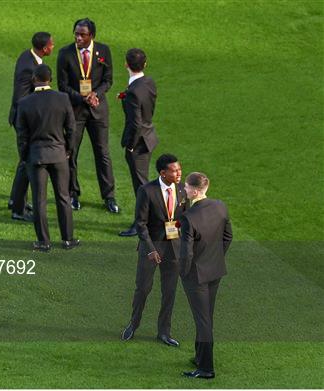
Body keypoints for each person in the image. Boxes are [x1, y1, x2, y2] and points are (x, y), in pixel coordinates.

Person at [121, 154, 186, 347]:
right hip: (152, 248)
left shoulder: (182, 189)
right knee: (143, 288)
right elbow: (141, 224)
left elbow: (185, 217)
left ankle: (164, 332)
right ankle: (133, 325)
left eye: (179, 169)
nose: (179, 173)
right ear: (163, 173)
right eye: (174, 170)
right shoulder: (147, 191)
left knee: (169, 291)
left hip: (173, 248)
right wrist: (150, 249)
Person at [57, 18, 118, 213]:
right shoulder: (65, 53)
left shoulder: (103, 51)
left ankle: (109, 197)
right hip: (75, 111)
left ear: (92, 35)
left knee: (103, 154)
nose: (78, 37)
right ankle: (73, 194)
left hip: (98, 110)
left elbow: (108, 80)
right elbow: (62, 85)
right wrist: (83, 97)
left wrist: (95, 94)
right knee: (71, 153)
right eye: (76, 33)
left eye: (82, 34)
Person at [16, 65, 79, 252]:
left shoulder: (25, 103)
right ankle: (68, 239)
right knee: (63, 197)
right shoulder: (63, 98)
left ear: (34, 79)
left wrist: (24, 156)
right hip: (59, 155)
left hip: (36, 157)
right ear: (50, 79)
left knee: (39, 200)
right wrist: (68, 150)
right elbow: (72, 129)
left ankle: (44, 242)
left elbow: (21, 135)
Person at [179, 172, 233, 379]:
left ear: (194, 190)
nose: (183, 189)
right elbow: (228, 237)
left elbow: (186, 253)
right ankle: (200, 356)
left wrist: (183, 273)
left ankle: (206, 369)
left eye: (186, 187)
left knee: (202, 321)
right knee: (206, 316)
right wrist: (216, 257)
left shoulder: (189, 218)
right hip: (215, 270)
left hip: (196, 276)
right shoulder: (220, 206)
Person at [8, 32, 55, 222]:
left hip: (24, 119)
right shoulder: (29, 67)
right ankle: (18, 209)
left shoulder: (27, 56)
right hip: (25, 122)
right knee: (26, 163)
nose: (53, 47)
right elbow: (21, 98)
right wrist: (29, 124)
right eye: (51, 45)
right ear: (44, 48)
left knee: (24, 163)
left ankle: (16, 201)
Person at [118, 48, 159, 237]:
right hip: (149, 136)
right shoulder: (149, 83)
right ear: (145, 64)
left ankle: (141, 223)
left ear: (126, 64)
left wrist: (131, 144)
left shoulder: (133, 91)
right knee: (142, 183)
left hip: (139, 142)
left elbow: (135, 123)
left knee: (141, 186)